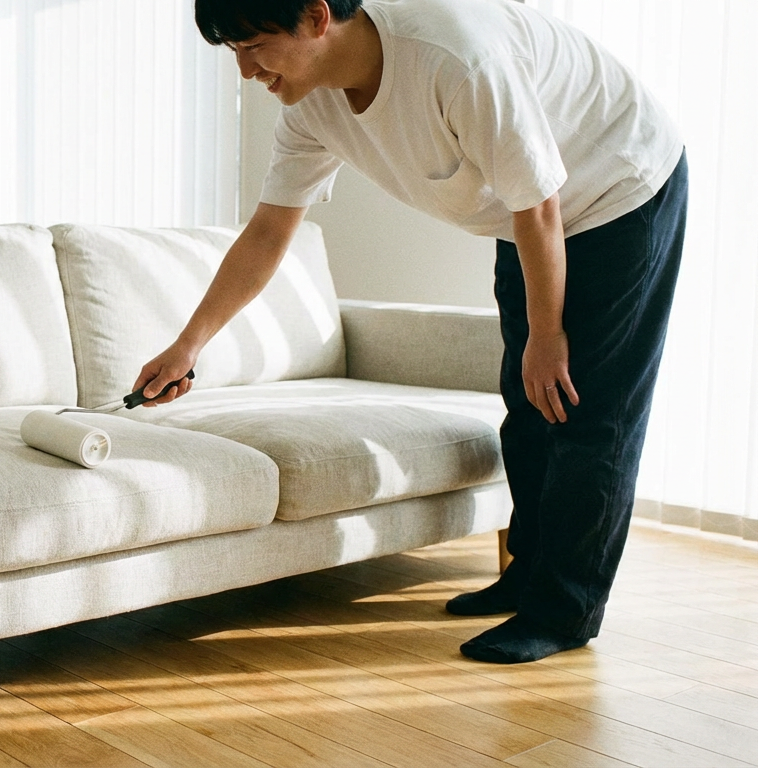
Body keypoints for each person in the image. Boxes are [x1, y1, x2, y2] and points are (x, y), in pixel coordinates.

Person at [136, 0, 687, 663]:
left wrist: (548, 335)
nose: (247, 71)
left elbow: (540, 202)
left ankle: (564, 610)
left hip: (618, 187)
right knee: (528, 401)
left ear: (316, 18)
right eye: (234, 54)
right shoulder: (311, 104)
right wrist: (188, 344)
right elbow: (268, 233)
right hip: (527, 215)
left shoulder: (456, 58)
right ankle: (527, 576)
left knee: (584, 409)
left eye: (254, 47)